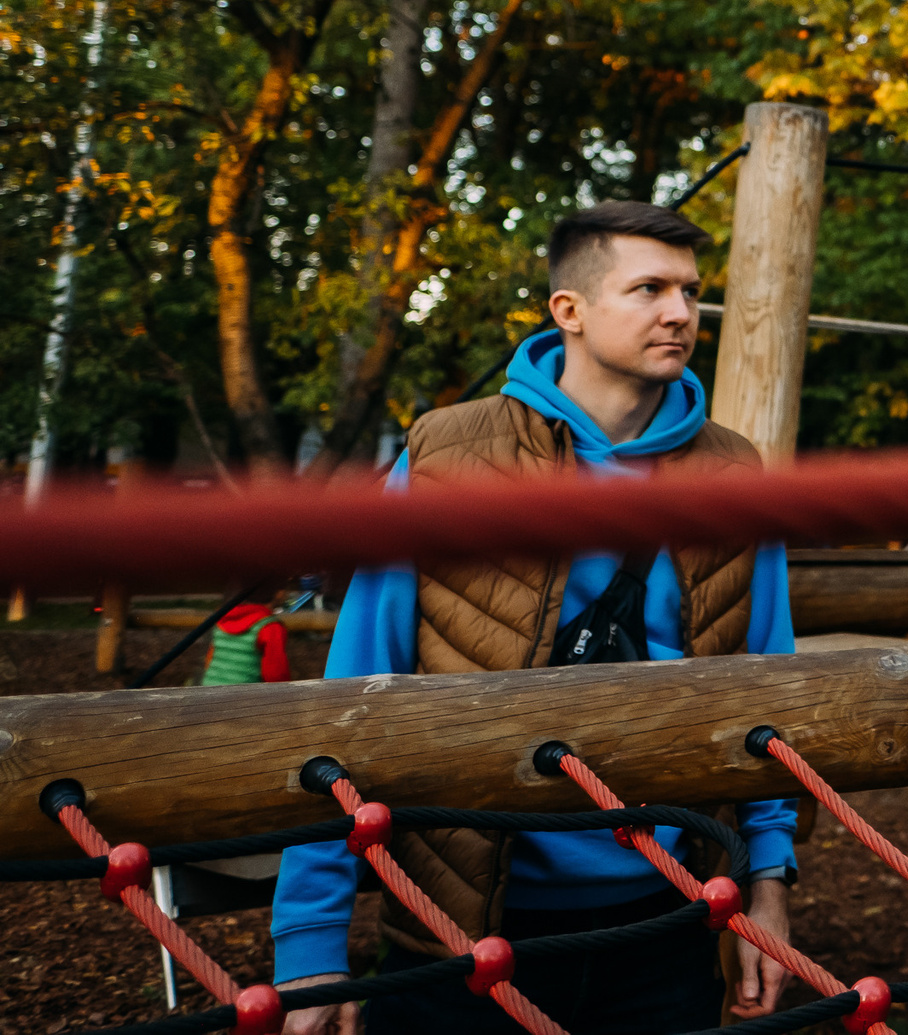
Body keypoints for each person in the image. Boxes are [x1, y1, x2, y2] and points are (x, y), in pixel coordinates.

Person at [272, 201, 801, 1035]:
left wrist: (767, 889)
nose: (679, 311)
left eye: (691, 290)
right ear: (571, 310)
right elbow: (352, 697)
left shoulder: (732, 474)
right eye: (649, 288)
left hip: (665, 914)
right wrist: (311, 939)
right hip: (461, 923)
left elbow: (765, 698)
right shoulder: (449, 457)